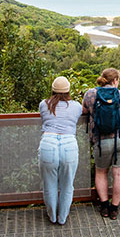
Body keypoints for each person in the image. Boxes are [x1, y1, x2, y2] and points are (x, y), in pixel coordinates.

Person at [82, 67, 120, 220]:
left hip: (101, 140)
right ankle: (114, 208)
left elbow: (84, 111)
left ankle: (104, 206)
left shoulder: (90, 94)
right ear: (115, 80)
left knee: (101, 172)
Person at [38, 76, 83, 226]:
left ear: (52, 90)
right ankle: (62, 218)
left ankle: (52, 216)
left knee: (49, 184)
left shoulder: (44, 104)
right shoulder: (76, 106)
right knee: (67, 184)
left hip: (48, 142)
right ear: (68, 90)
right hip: (69, 143)